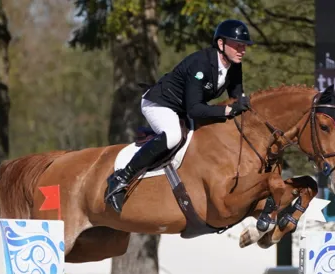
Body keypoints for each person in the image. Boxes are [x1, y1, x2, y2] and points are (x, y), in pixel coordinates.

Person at [104, 19, 254, 213]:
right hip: (159, 104)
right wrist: (226, 111)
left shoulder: (234, 65)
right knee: (173, 135)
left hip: (183, 108)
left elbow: (236, 99)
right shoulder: (200, 64)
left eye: (244, 46)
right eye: (237, 45)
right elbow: (195, 110)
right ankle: (121, 177)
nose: (242, 50)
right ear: (220, 44)